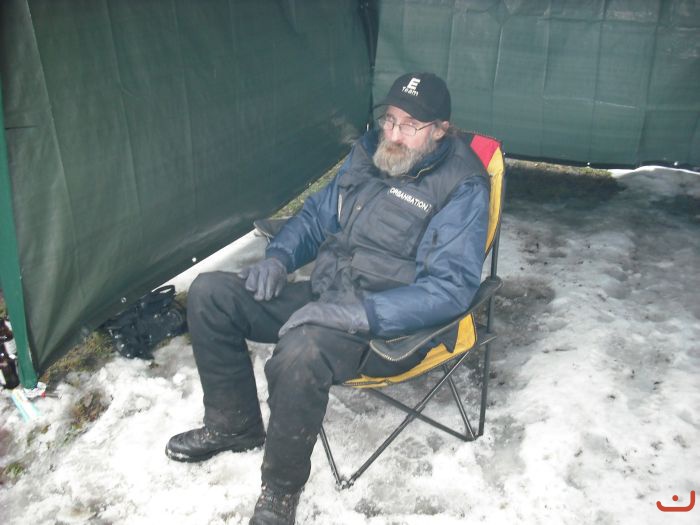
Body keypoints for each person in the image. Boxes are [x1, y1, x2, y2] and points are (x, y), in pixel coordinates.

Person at [165, 72, 490, 525]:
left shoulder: (462, 186)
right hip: (328, 293)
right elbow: (319, 215)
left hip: (386, 328)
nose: (394, 134)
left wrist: (359, 313)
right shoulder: (373, 151)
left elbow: (449, 289)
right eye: (390, 119)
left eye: (410, 126)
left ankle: (280, 492)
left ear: (440, 130)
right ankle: (233, 424)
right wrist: (279, 258)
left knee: (302, 351)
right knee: (210, 293)